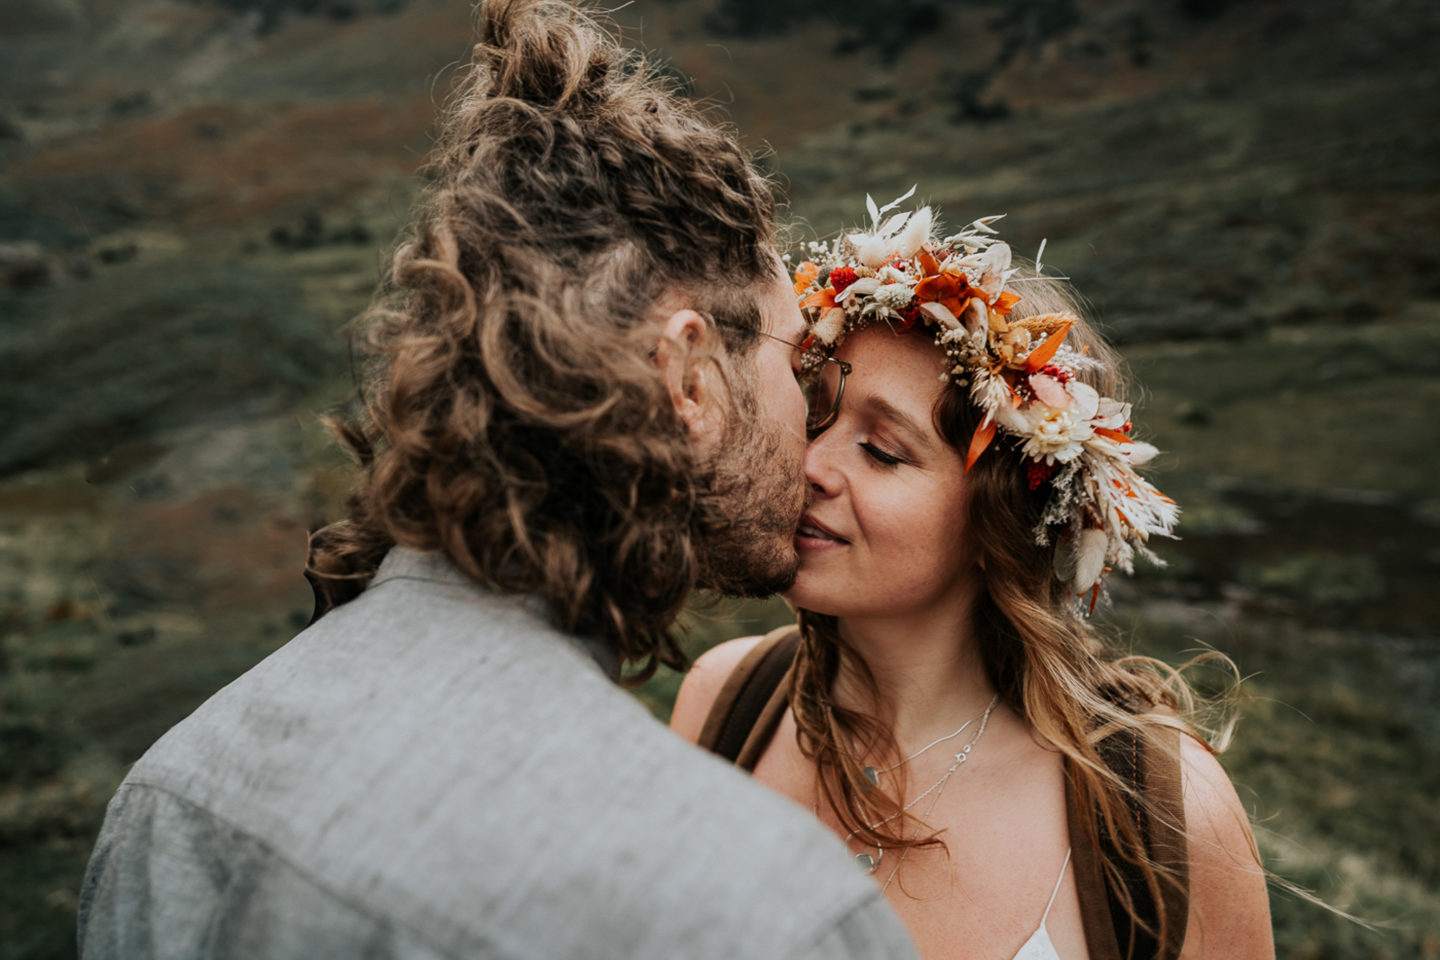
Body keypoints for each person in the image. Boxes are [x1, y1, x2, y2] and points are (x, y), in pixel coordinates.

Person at [75, 4, 919, 958]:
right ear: (688, 379)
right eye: (796, 364)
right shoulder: (761, 908)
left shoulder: (171, 789)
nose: (810, 425)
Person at [672, 192, 1274, 960]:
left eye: (884, 451)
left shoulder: (1161, 812)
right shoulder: (726, 704)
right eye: (815, 413)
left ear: (996, 528)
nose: (811, 465)